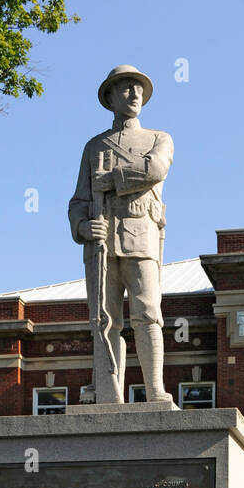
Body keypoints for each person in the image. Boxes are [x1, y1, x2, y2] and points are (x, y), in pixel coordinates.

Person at [68, 65, 174, 405]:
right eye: (126, 89)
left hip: (141, 235)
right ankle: (107, 393)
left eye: (138, 89)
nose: (135, 94)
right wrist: (83, 227)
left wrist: (113, 179)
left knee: (147, 313)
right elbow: (78, 201)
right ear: (110, 97)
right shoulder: (93, 146)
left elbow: (155, 169)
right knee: (104, 319)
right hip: (101, 242)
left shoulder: (159, 138)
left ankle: (155, 388)